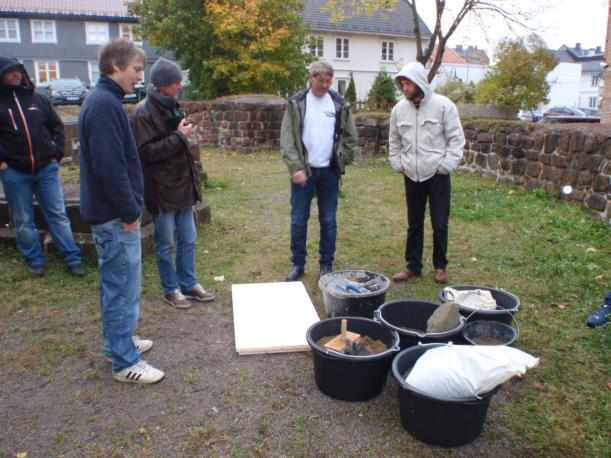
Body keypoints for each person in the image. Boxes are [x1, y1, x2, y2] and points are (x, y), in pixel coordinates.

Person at [79, 39, 164, 384]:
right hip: (115, 217)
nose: (139, 78)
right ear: (115, 65)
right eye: (136, 70)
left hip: (114, 214)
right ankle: (123, 361)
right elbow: (110, 168)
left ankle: (120, 341)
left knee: (120, 284)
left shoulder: (106, 102)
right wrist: (130, 211)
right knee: (121, 287)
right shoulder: (103, 106)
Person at [131, 57, 215, 309]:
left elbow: (177, 142)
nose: (180, 85)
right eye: (175, 82)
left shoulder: (171, 105)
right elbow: (146, 153)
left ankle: (188, 283)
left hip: (181, 185)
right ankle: (171, 289)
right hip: (161, 188)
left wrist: (182, 132)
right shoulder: (143, 113)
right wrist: (180, 136)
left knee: (188, 238)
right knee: (166, 243)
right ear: (162, 84)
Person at [0, 57, 84, 277]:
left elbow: (56, 127)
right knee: (23, 219)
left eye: (18, 70)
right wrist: (3, 164)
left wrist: (56, 155)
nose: (16, 75)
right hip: (15, 172)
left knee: (57, 214)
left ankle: (72, 257)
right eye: (10, 72)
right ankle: (34, 259)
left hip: (46, 169)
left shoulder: (38, 99)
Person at [388, 62, 465, 284]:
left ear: (420, 81)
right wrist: (397, 163)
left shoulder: (444, 106)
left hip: (437, 174)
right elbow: (394, 139)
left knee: (439, 222)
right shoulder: (398, 109)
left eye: (408, 82)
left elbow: (456, 139)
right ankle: (413, 265)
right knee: (414, 222)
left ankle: (440, 266)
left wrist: (446, 166)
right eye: (402, 83)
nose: (404, 87)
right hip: (411, 173)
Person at [280, 61, 357, 281]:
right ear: (310, 78)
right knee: (298, 220)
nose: (324, 85)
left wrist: (343, 160)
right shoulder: (297, 103)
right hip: (304, 171)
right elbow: (287, 140)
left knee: (329, 220)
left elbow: (351, 138)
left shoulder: (339, 103)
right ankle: (298, 264)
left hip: (329, 172)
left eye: (328, 81)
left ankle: (326, 264)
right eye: (320, 80)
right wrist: (296, 167)